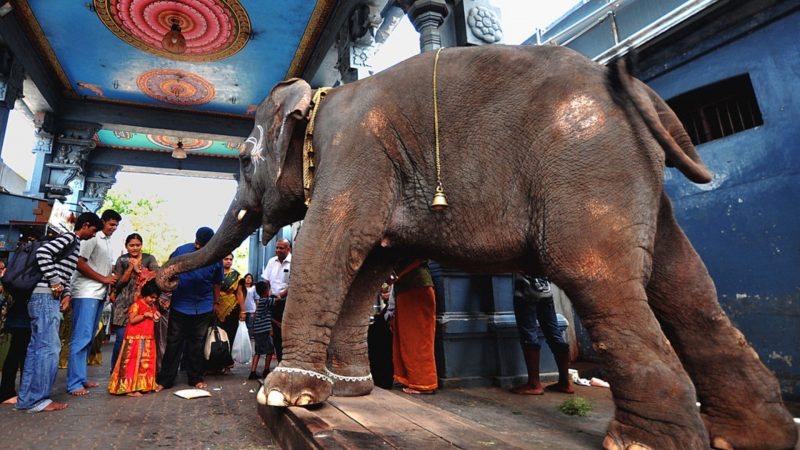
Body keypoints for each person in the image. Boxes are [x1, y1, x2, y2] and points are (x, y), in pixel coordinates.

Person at [16, 212, 103, 413]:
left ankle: (27, 399)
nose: (93, 234)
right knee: (49, 349)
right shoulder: (69, 238)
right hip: (46, 297)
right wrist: (55, 283)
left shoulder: (73, 242)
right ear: (86, 225)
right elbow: (43, 254)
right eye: (93, 230)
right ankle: (39, 400)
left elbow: (61, 272)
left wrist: (64, 291)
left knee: (36, 350)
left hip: (43, 297)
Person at [156, 227, 222, 390]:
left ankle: (195, 378)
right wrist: (166, 296)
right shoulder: (181, 251)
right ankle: (165, 380)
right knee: (174, 343)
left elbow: (217, 283)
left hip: (204, 306)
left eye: (201, 245)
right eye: (196, 242)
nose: (197, 246)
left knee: (197, 344)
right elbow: (166, 272)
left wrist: (216, 302)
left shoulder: (216, 257)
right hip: (180, 305)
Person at [65, 209, 121, 396]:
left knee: (88, 338)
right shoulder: (91, 239)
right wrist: (104, 279)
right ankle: (74, 383)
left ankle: (80, 377)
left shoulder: (106, 242)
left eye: (116, 225)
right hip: (86, 293)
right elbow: (79, 263)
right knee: (82, 337)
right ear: (102, 222)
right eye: (111, 224)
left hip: (97, 294)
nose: (113, 228)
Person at [510, 274, 574, 395]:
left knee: (528, 333)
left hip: (526, 290)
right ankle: (565, 383)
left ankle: (534, 384)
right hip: (546, 290)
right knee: (554, 332)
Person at [109, 233, 159, 371]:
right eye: (131, 245)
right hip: (123, 303)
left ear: (141, 246)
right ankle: (116, 372)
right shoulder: (122, 259)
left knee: (139, 340)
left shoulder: (149, 258)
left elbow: (156, 275)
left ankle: (136, 373)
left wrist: (139, 269)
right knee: (121, 339)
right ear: (126, 246)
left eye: (137, 245)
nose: (135, 248)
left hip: (142, 304)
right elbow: (118, 283)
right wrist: (131, 268)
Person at [389, 260, 438, 395]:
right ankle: (410, 378)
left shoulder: (415, 252)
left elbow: (416, 259)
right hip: (407, 288)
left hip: (416, 287)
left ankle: (423, 383)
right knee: (407, 337)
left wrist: (392, 278)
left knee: (418, 337)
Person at [108, 279, 161, 397]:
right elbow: (132, 320)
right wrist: (145, 315)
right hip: (134, 339)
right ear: (145, 294)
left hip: (147, 338)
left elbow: (152, 317)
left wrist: (155, 315)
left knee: (145, 363)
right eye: (151, 297)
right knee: (132, 362)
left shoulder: (152, 306)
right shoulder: (136, 305)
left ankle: (143, 386)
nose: (153, 300)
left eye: (155, 298)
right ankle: (129, 388)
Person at [1, 259, 33, 404]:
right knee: (16, 353)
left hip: (19, 317)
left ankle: (11, 391)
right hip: (21, 317)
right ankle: (7, 392)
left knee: (18, 353)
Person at [211, 253, 245, 374]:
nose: (228, 261)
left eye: (230, 259)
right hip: (216, 306)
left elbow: (239, 293)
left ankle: (227, 365)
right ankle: (214, 364)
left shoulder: (236, 276)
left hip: (232, 308)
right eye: (226, 259)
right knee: (215, 336)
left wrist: (243, 310)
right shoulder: (214, 273)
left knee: (229, 336)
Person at [260, 239, 290, 361]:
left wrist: (281, 295)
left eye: (281, 248)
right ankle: (279, 361)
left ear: (288, 249)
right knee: (275, 333)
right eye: (277, 247)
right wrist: (268, 293)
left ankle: (287, 360)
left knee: (285, 332)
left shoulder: (295, 262)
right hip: (272, 301)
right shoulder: (272, 261)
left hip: (286, 302)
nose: (278, 250)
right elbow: (266, 280)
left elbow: (294, 284)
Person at [248, 281, 274, 380]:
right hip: (264, 330)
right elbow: (278, 299)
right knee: (270, 350)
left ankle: (253, 372)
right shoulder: (265, 300)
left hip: (259, 330)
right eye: (268, 289)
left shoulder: (260, 301)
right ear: (266, 291)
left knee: (258, 351)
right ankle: (266, 370)